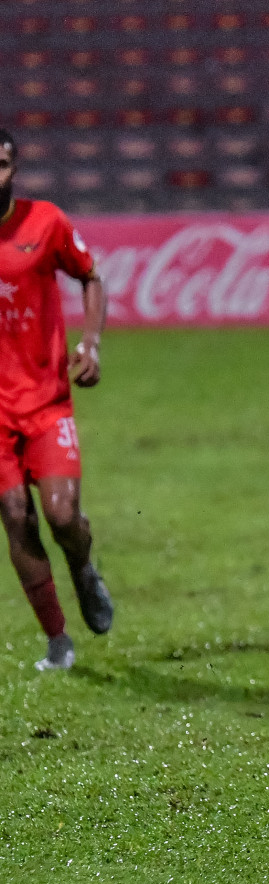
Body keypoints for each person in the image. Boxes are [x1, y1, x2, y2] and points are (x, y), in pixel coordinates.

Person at [0, 128, 114, 671]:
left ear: (14, 168)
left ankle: (84, 567)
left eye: (0, 164)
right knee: (16, 516)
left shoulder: (44, 222)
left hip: (46, 400)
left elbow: (91, 277)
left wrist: (90, 344)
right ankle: (58, 640)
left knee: (61, 514)